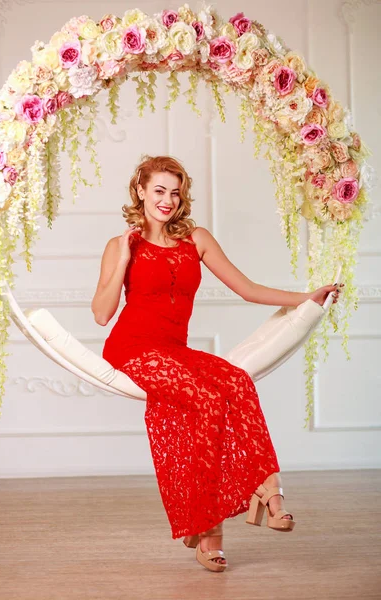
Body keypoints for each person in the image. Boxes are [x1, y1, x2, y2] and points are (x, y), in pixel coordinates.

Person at [91, 155, 343, 572]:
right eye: (159, 190)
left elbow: (246, 288)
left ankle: (267, 487)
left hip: (176, 351)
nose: (167, 200)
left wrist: (305, 299)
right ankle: (209, 529)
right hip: (132, 350)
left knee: (238, 382)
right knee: (207, 400)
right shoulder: (121, 246)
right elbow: (101, 314)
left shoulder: (197, 239)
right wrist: (121, 260)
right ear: (140, 191)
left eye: (175, 192)